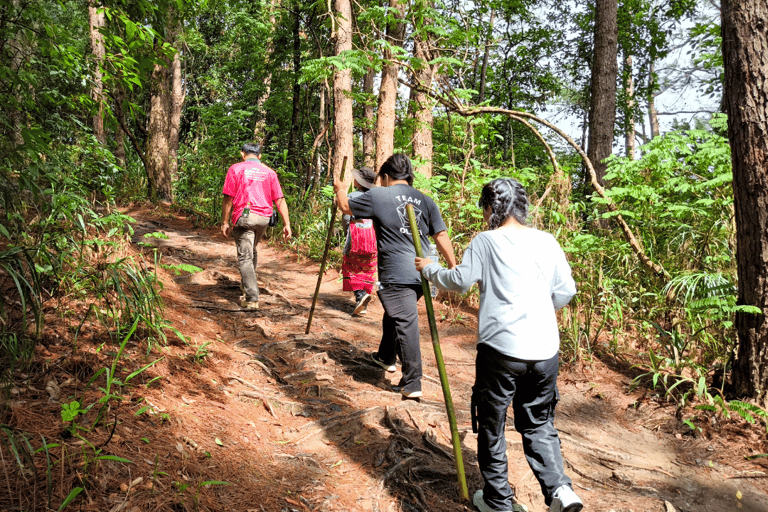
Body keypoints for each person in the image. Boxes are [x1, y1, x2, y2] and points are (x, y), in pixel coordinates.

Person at [415, 178, 582, 512]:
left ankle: (498, 501)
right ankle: (561, 491)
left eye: (485, 208)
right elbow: (566, 291)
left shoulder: (486, 241)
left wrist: (430, 268)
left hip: (501, 350)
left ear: (491, 208)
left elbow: (460, 281)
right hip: (545, 350)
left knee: (492, 425)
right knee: (538, 423)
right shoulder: (547, 240)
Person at [333, 154, 456, 399]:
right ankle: (385, 356)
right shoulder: (426, 200)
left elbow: (346, 207)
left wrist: (339, 189)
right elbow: (440, 235)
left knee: (405, 323)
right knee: (397, 314)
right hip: (422, 271)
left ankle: (413, 381)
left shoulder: (379, 195)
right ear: (409, 177)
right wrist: (454, 267)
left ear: (386, 176)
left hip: (397, 272)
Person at [221, 143, 291, 309]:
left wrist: (224, 221)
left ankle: (252, 297)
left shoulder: (236, 169)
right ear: (259, 156)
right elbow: (280, 200)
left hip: (245, 217)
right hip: (263, 219)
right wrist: (287, 223)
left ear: (242, 154)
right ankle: (247, 283)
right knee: (251, 250)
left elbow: (228, 198)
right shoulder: (270, 172)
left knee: (245, 257)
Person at [341, 167, 378, 316]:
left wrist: (346, 232)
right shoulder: (375, 197)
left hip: (356, 236)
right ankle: (363, 296)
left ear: (359, 182)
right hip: (372, 237)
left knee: (352, 266)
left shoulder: (352, 196)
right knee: (367, 266)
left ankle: (360, 296)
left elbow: (345, 216)